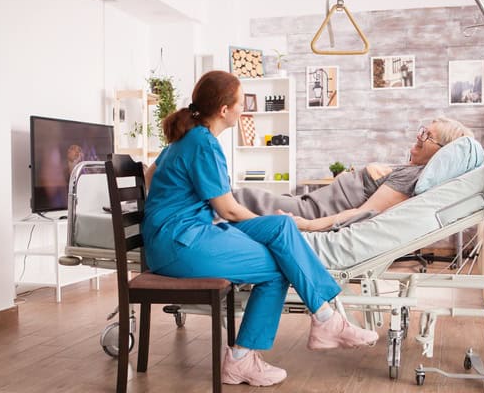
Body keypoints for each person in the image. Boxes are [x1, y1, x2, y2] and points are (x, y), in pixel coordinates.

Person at [142, 70, 378, 387]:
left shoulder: (187, 137)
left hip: (182, 236)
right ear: (225, 110)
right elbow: (226, 208)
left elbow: (149, 176)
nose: (244, 109)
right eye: (241, 102)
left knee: (280, 225)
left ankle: (325, 319)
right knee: (280, 266)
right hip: (180, 245)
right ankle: (245, 358)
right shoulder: (203, 143)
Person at [233, 117, 473, 232]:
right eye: (422, 131)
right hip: (312, 202)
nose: (419, 137)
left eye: (427, 136)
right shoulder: (410, 170)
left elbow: (364, 213)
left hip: (314, 211)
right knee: (241, 200)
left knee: (241, 198)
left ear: (441, 152)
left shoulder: (411, 178)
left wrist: (308, 225)